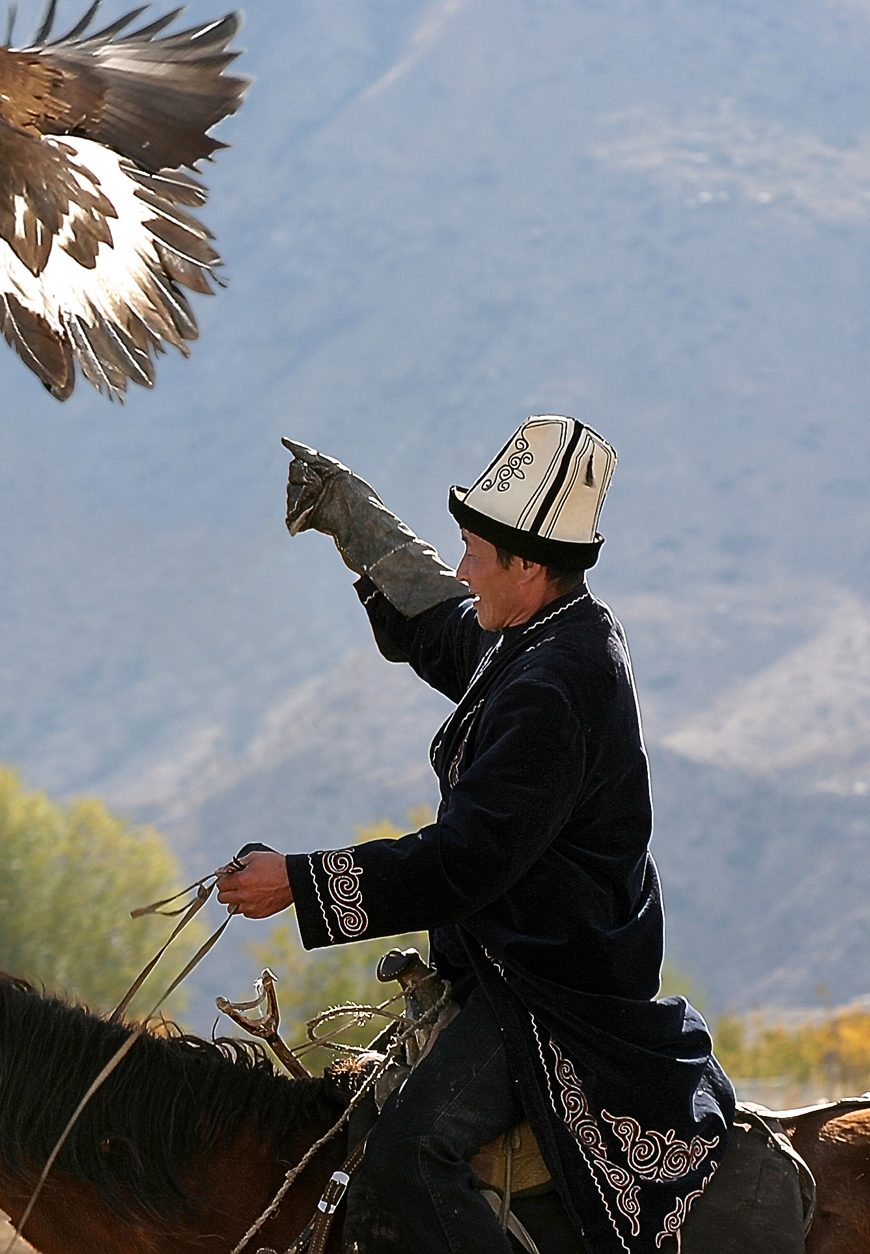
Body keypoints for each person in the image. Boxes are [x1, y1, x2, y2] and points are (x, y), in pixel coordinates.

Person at [216, 417, 733, 1254]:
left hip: (551, 987)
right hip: (506, 964)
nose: (463, 568)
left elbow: (461, 864)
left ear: (527, 565)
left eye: (474, 552)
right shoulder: (537, 633)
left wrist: (298, 882)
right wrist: (353, 520)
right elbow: (441, 619)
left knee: (406, 1159)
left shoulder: (559, 681)